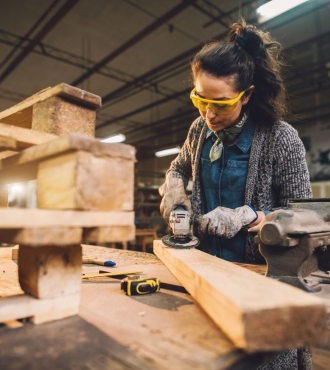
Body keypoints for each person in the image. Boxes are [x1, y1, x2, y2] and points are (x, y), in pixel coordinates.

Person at [159, 20, 312, 370]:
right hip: (202, 278)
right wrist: (174, 186)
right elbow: (178, 166)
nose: (209, 114)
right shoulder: (199, 129)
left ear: (246, 95)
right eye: (200, 99)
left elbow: (307, 219)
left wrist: (252, 217)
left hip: (259, 287)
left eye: (222, 104)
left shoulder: (280, 139)